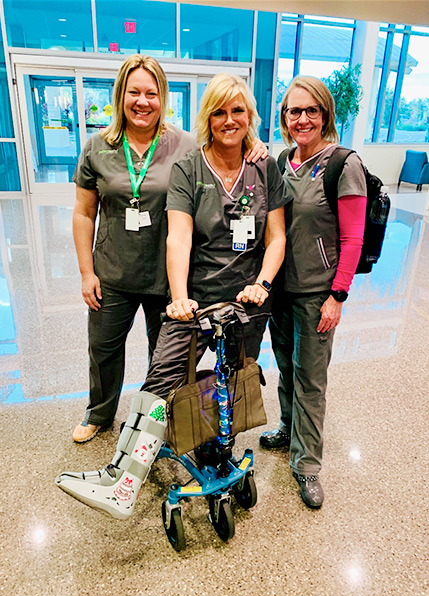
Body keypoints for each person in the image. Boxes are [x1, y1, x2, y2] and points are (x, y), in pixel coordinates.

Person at [56, 72, 286, 520]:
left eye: (237, 110)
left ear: (250, 116)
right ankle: (125, 476)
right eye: (218, 111)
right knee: (163, 376)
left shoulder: (265, 166)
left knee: (234, 377)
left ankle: (220, 451)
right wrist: (179, 297)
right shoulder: (188, 166)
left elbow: (276, 236)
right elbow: (177, 239)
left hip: (249, 301)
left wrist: (262, 283)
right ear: (206, 117)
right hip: (194, 298)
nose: (228, 119)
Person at [71, 55, 267, 443]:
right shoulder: (98, 147)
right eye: (134, 93)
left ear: (163, 98)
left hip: (166, 278)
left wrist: (254, 143)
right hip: (112, 272)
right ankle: (100, 413)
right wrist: (86, 271)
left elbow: (225, 142)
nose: (143, 102)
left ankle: (155, 420)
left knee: (163, 359)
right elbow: (83, 213)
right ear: (120, 96)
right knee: (103, 349)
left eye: (152, 93)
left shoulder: (185, 145)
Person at [259, 76, 367, 509]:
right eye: (293, 111)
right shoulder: (284, 160)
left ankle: (307, 466)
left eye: (311, 111)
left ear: (325, 115)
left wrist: (337, 296)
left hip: (317, 293)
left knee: (311, 380)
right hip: (281, 290)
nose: (301, 119)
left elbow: (354, 239)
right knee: (286, 365)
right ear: (284, 118)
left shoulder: (344, 164)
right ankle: (288, 429)